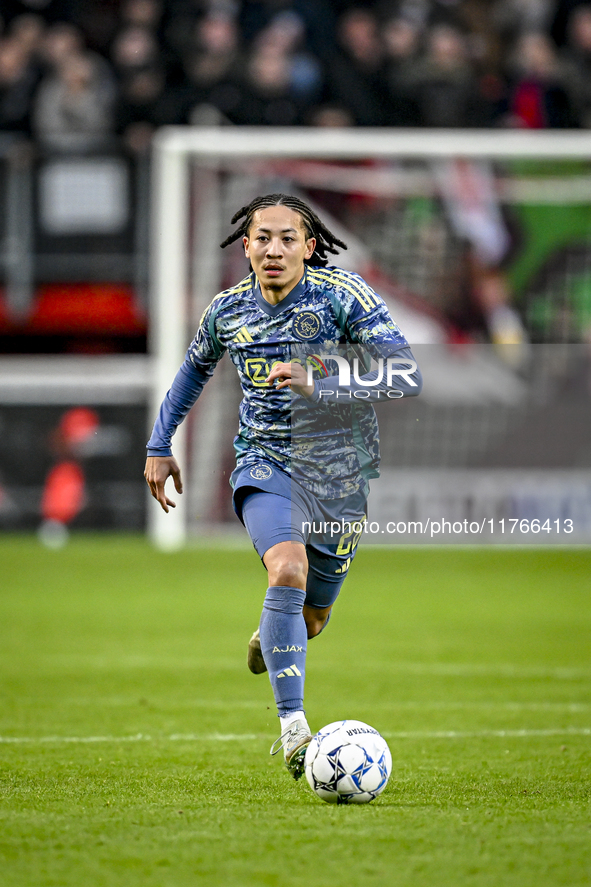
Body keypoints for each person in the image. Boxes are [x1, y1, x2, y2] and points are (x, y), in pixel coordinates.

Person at [144, 194, 423, 780]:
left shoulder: (344, 297)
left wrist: (322, 381)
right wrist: (159, 443)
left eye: (287, 238)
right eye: (261, 237)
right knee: (287, 569)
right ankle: (294, 729)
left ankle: (271, 635)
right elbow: (194, 369)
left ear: (309, 246)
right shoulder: (227, 311)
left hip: (342, 477)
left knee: (312, 619)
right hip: (265, 464)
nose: (273, 249)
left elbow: (406, 373)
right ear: (244, 247)